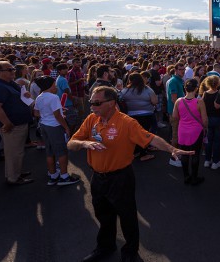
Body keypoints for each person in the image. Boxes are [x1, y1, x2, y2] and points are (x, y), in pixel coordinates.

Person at [67, 86, 194, 262]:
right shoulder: (91, 119)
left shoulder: (127, 123)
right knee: (103, 215)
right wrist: (84, 144)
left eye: (96, 103)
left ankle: (130, 252)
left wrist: (171, 148)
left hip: (121, 178)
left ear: (111, 103)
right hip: (97, 177)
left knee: (127, 217)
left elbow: (150, 138)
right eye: (91, 102)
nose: (92, 106)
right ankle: (105, 247)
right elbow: (71, 143)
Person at [33, 76, 79, 186]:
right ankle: (64, 177)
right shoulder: (53, 97)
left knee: (49, 151)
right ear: (50, 86)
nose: (56, 87)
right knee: (62, 152)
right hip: (54, 127)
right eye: (54, 85)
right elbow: (57, 116)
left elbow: (36, 113)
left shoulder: (40, 97)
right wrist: (66, 127)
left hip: (44, 125)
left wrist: (49, 113)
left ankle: (52, 175)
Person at [0, 61, 33, 185]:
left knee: (15, 151)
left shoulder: (9, 83)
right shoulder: (0, 86)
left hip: (18, 123)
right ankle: (13, 177)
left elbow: (21, 94)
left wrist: (26, 94)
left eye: (12, 69)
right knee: (14, 153)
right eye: (9, 70)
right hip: (12, 125)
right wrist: (7, 123)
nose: (13, 71)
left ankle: (15, 173)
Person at [172, 78, 207, 185]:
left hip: (182, 131)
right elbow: (205, 120)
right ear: (196, 89)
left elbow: (174, 116)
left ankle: (186, 176)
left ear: (185, 88)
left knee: (185, 154)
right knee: (195, 155)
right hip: (196, 131)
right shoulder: (199, 102)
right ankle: (194, 178)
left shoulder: (178, 101)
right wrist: (205, 128)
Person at [120, 73, 157, 162]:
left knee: (134, 134)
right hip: (146, 115)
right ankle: (143, 153)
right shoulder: (147, 89)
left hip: (131, 116)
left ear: (130, 80)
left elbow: (120, 100)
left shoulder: (125, 91)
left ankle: (136, 151)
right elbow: (155, 101)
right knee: (144, 134)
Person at [201, 75, 220, 170]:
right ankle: (215, 161)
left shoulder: (205, 94)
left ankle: (207, 160)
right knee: (217, 141)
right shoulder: (219, 93)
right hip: (218, 119)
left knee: (208, 140)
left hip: (208, 119)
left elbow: (202, 106)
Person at [165, 62, 185, 167]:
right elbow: (174, 99)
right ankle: (174, 158)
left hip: (177, 112)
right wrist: (182, 111)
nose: (183, 71)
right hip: (175, 113)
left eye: (184, 69)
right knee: (175, 136)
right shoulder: (173, 81)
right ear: (176, 70)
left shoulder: (178, 80)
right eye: (181, 69)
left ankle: (177, 156)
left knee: (177, 135)